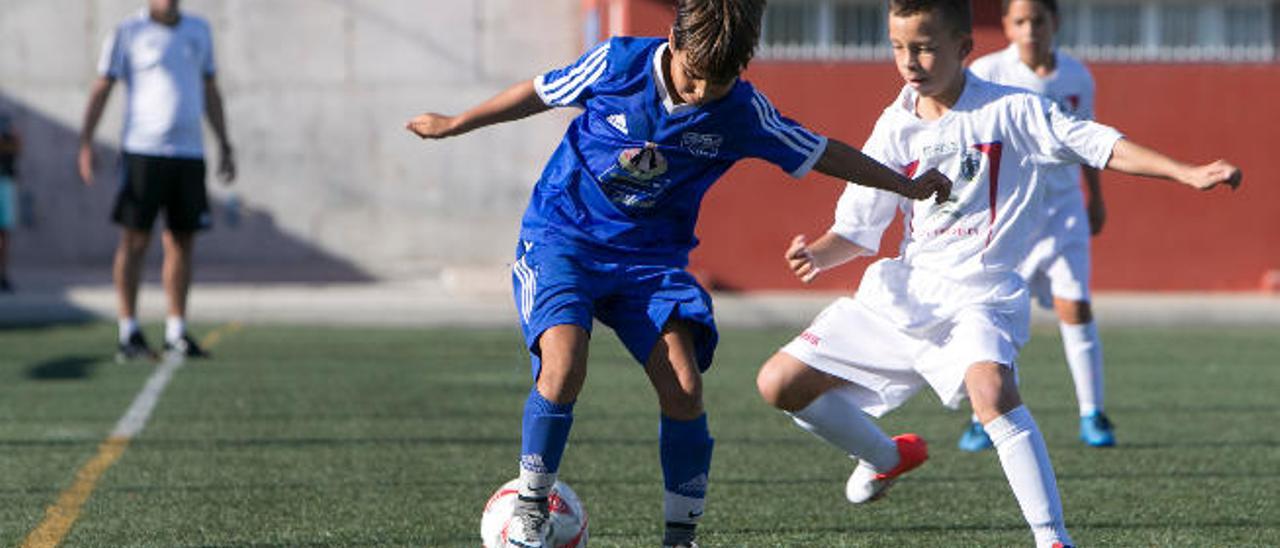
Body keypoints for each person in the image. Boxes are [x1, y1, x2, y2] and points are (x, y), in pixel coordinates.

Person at [405, 1, 950, 545]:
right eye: (692, 76)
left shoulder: (740, 111)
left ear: (740, 71)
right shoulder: (618, 64)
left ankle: (680, 536)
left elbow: (822, 152)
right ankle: (530, 504)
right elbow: (539, 91)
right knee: (564, 365)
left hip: (650, 263)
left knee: (685, 389)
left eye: (715, 84)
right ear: (672, 39)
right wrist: (457, 123)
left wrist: (904, 185)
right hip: (562, 239)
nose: (698, 93)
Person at [753, 1, 1241, 547]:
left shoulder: (1011, 110)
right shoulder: (894, 127)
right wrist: (818, 254)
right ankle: (887, 457)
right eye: (898, 48)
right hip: (906, 293)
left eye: (924, 46)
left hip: (979, 295)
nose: (909, 61)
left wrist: (1186, 171)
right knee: (779, 383)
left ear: (964, 48)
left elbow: (1097, 143)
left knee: (991, 388)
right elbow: (858, 228)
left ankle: (1052, 539)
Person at [956, 0, 1113, 452]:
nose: (1029, 30)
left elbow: (1089, 141)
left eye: (1038, 21)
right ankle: (981, 416)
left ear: (1054, 24)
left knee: (1076, 307)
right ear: (1006, 25)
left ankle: (1092, 412)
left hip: (1063, 210)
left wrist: (1095, 198)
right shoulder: (987, 71)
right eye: (1020, 21)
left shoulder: (1077, 78)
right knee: (998, 313)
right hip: (1009, 212)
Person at [78, 0, 236, 362]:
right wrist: (86, 141)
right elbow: (103, 87)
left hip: (188, 153)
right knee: (134, 240)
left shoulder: (199, 30)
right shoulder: (128, 32)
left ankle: (176, 330)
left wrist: (225, 143)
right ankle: (128, 330)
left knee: (182, 241)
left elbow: (210, 89)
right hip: (142, 152)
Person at [0, 112, 20, 293]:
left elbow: (16, 146)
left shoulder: (5, 122)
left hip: (5, 182)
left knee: (4, 233)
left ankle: (3, 276)